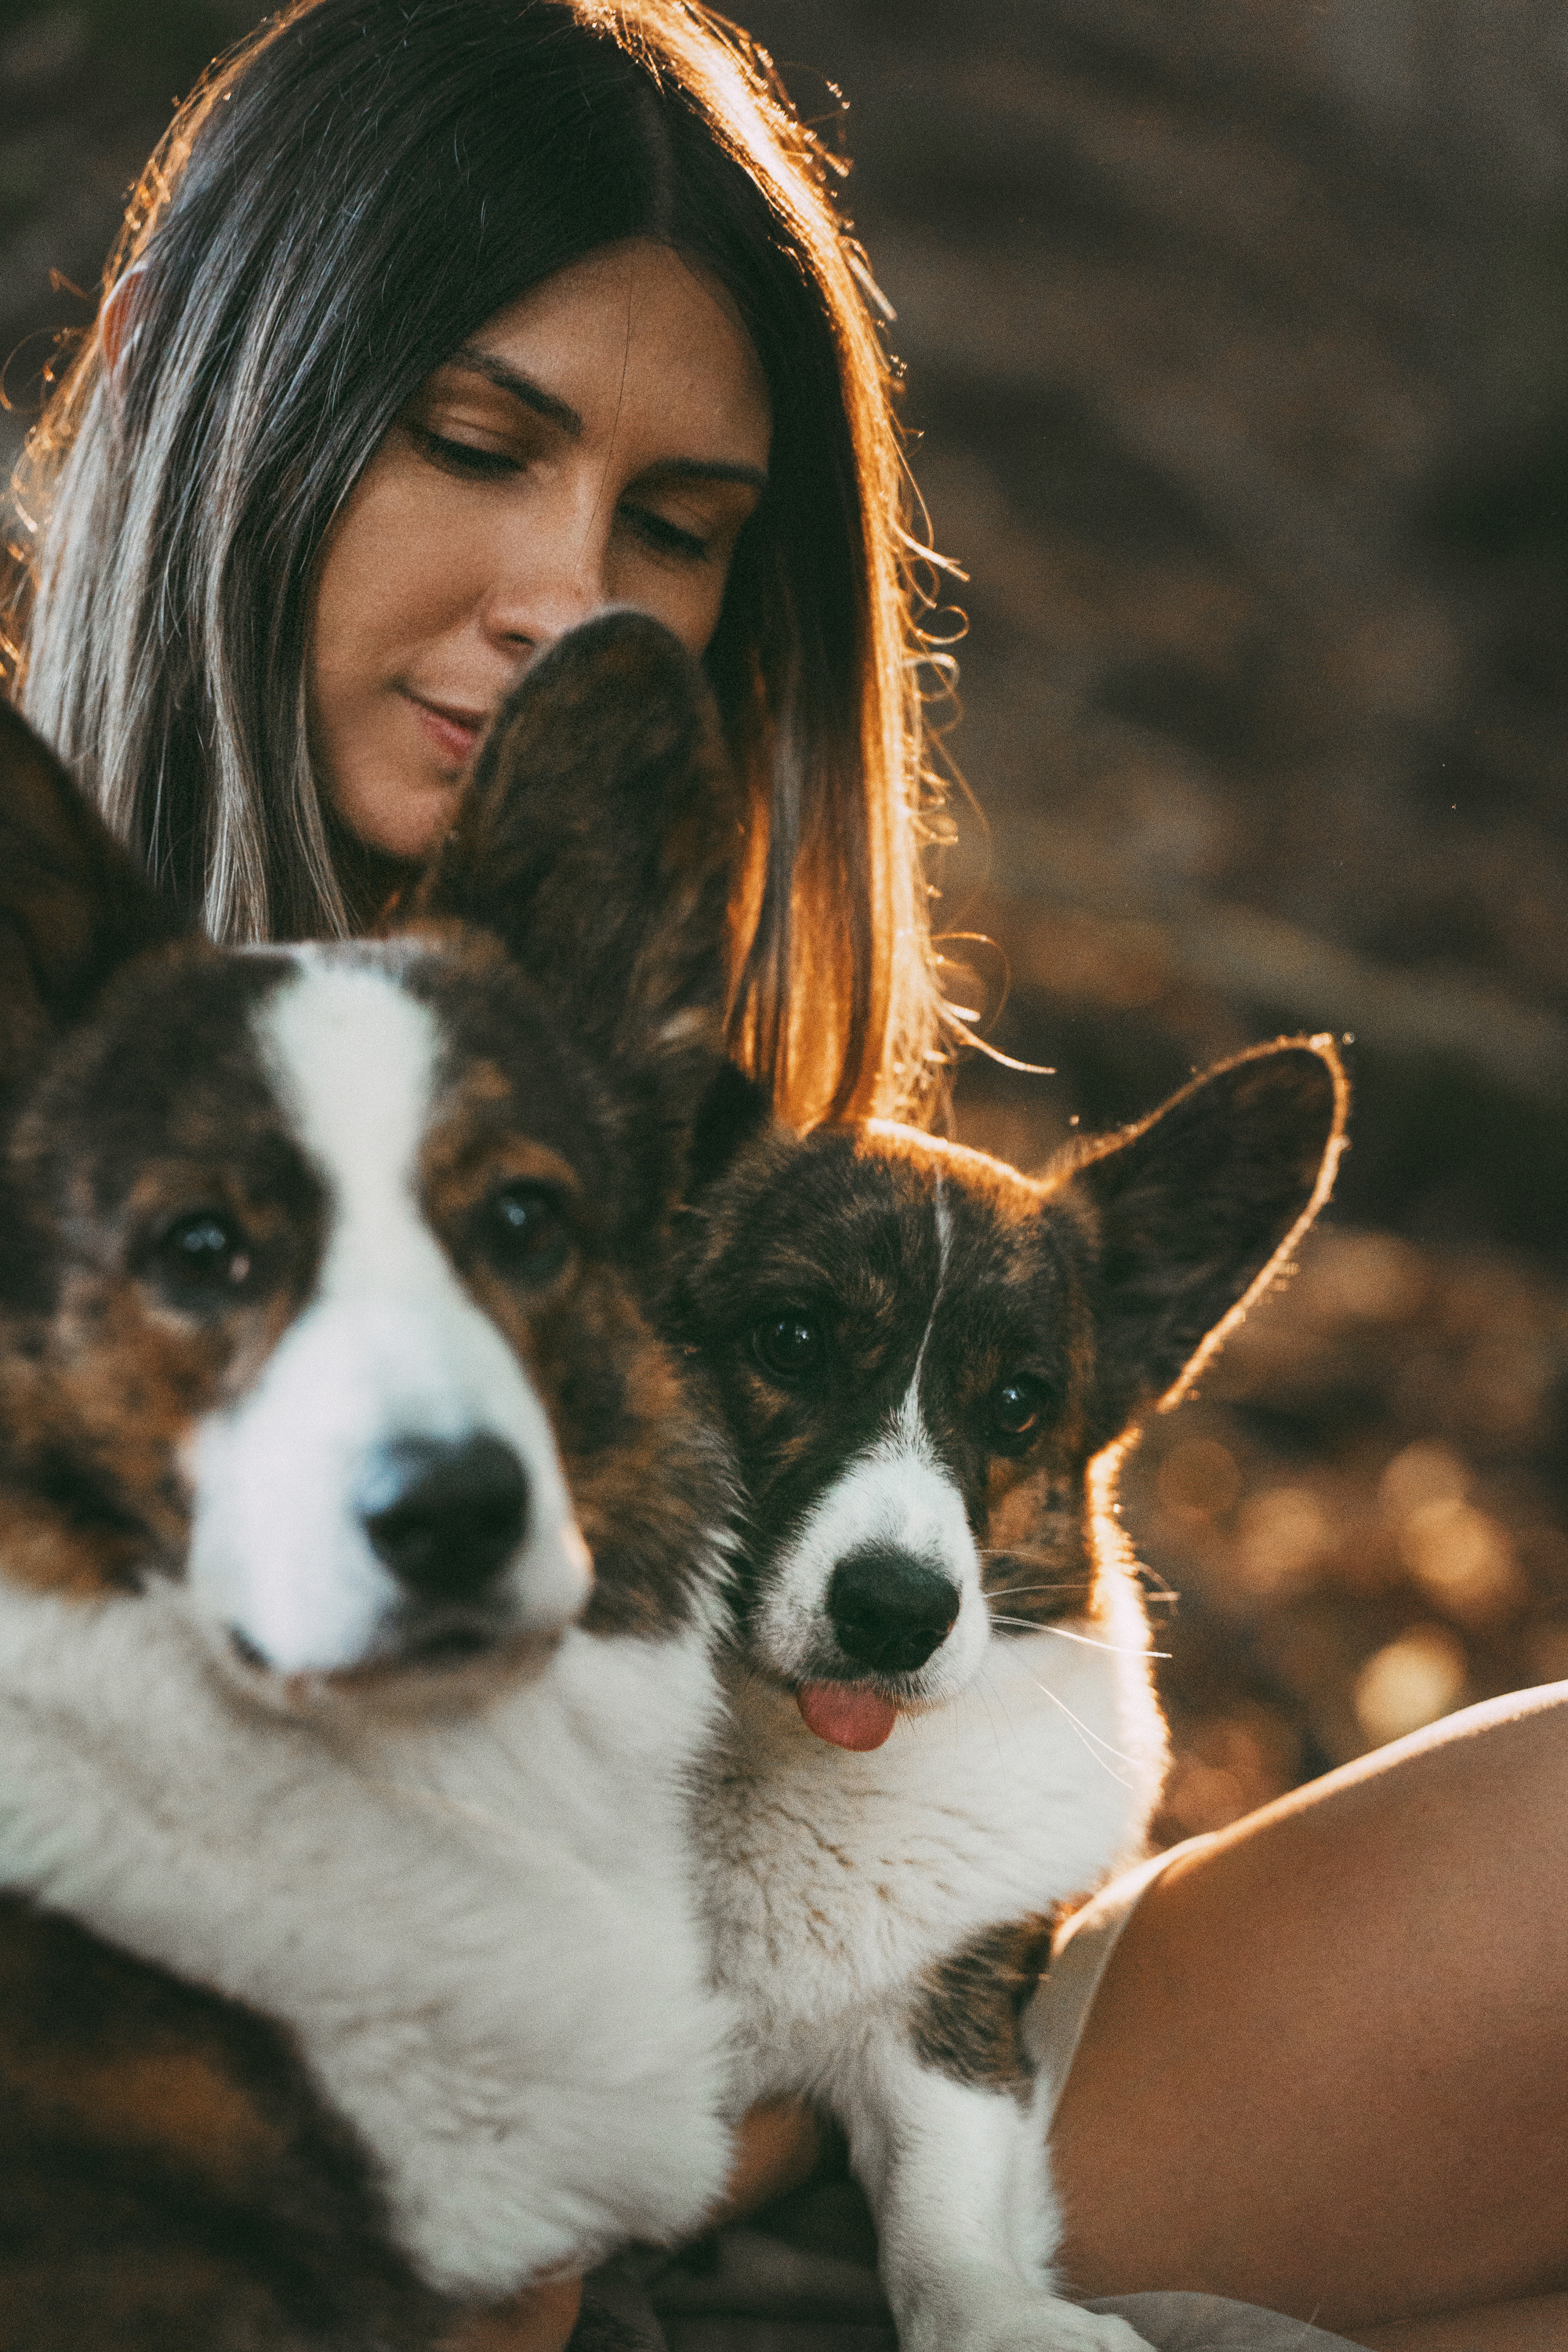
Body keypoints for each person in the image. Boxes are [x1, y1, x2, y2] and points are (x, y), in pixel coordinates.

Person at [5, 5, 1568, 2349]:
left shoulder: (663, 1078)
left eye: (675, 527)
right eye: (471, 441)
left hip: (780, 2117)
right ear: (141, 376)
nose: (571, 594)